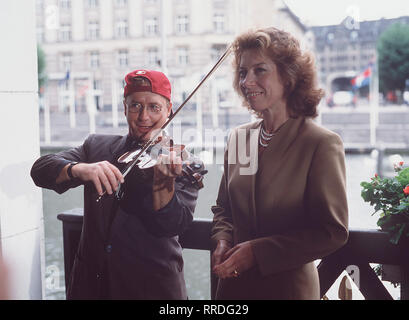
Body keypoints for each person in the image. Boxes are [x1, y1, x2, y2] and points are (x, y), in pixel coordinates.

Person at [31, 70, 202, 299]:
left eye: (154, 107)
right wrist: (80, 169)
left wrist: (164, 181)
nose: (143, 117)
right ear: (124, 108)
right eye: (135, 106)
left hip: (151, 290)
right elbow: (40, 169)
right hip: (90, 287)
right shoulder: (96, 147)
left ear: (169, 110)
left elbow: (172, 225)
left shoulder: (182, 160)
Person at [211, 28, 349, 300]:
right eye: (242, 72)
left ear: (288, 77)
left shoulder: (320, 143)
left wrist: (258, 253)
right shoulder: (239, 137)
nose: (247, 81)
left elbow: (332, 232)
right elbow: (223, 208)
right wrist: (223, 239)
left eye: (260, 70)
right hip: (232, 290)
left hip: (288, 291)